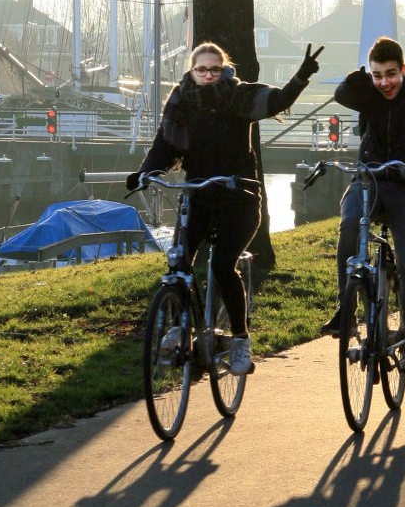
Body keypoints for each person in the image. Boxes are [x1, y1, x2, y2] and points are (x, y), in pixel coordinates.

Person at [128, 41, 324, 376]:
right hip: (199, 195)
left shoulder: (240, 96)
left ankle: (239, 340)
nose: (208, 75)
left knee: (221, 264)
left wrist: (301, 77)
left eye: (214, 69)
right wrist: (147, 172)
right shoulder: (180, 102)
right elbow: (164, 144)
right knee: (179, 258)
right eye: (201, 69)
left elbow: (276, 101)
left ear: (224, 70)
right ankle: (180, 326)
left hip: (240, 196)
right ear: (192, 71)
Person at [320, 36, 405, 385]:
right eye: (377, 75)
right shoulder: (370, 92)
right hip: (369, 178)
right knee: (349, 227)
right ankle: (347, 308)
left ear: (404, 69)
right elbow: (343, 95)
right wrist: (360, 77)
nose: (384, 82)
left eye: (391, 74)